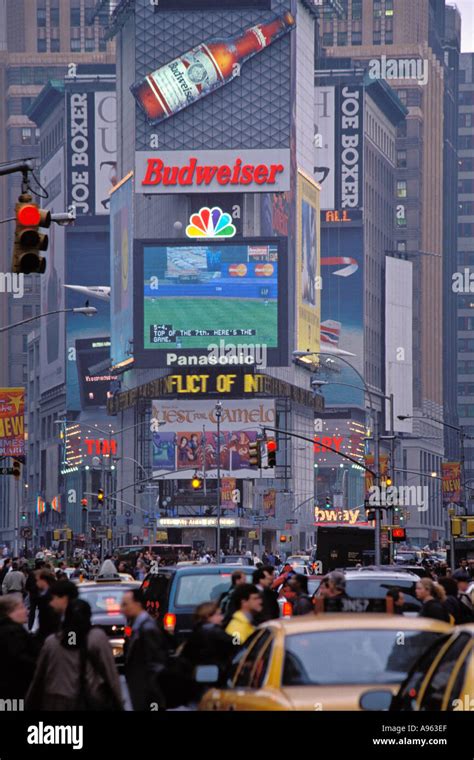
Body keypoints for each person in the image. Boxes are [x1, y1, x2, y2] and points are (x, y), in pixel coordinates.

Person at [26, 598, 123, 711]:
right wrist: (119, 702)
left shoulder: (52, 642)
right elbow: (110, 673)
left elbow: (39, 676)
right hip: (89, 698)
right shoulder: (96, 638)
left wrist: (30, 702)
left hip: (57, 700)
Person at [121, 588, 169, 711]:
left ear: (137, 604)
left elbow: (155, 664)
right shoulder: (139, 626)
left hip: (148, 692)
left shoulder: (147, 628)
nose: (122, 609)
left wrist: (154, 695)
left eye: (125, 604)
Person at [180, 601, 234, 702]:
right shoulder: (216, 633)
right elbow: (236, 646)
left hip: (196, 682)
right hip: (216, 680)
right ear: (208, 616)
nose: (221, 617)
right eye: (218, 614)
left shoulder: (195, 633)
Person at [0, 594, 38, 700]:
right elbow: (21, 660)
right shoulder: (12, 633)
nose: (27, 611)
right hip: (14, 690)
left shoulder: (9, 630)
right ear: (9, 612)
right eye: (21, 608)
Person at [35, 570, 60, 643]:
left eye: (37, 580)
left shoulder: (52, 595)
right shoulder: (43, 594)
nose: (36, 582)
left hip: (52, 634)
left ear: (43, 580)